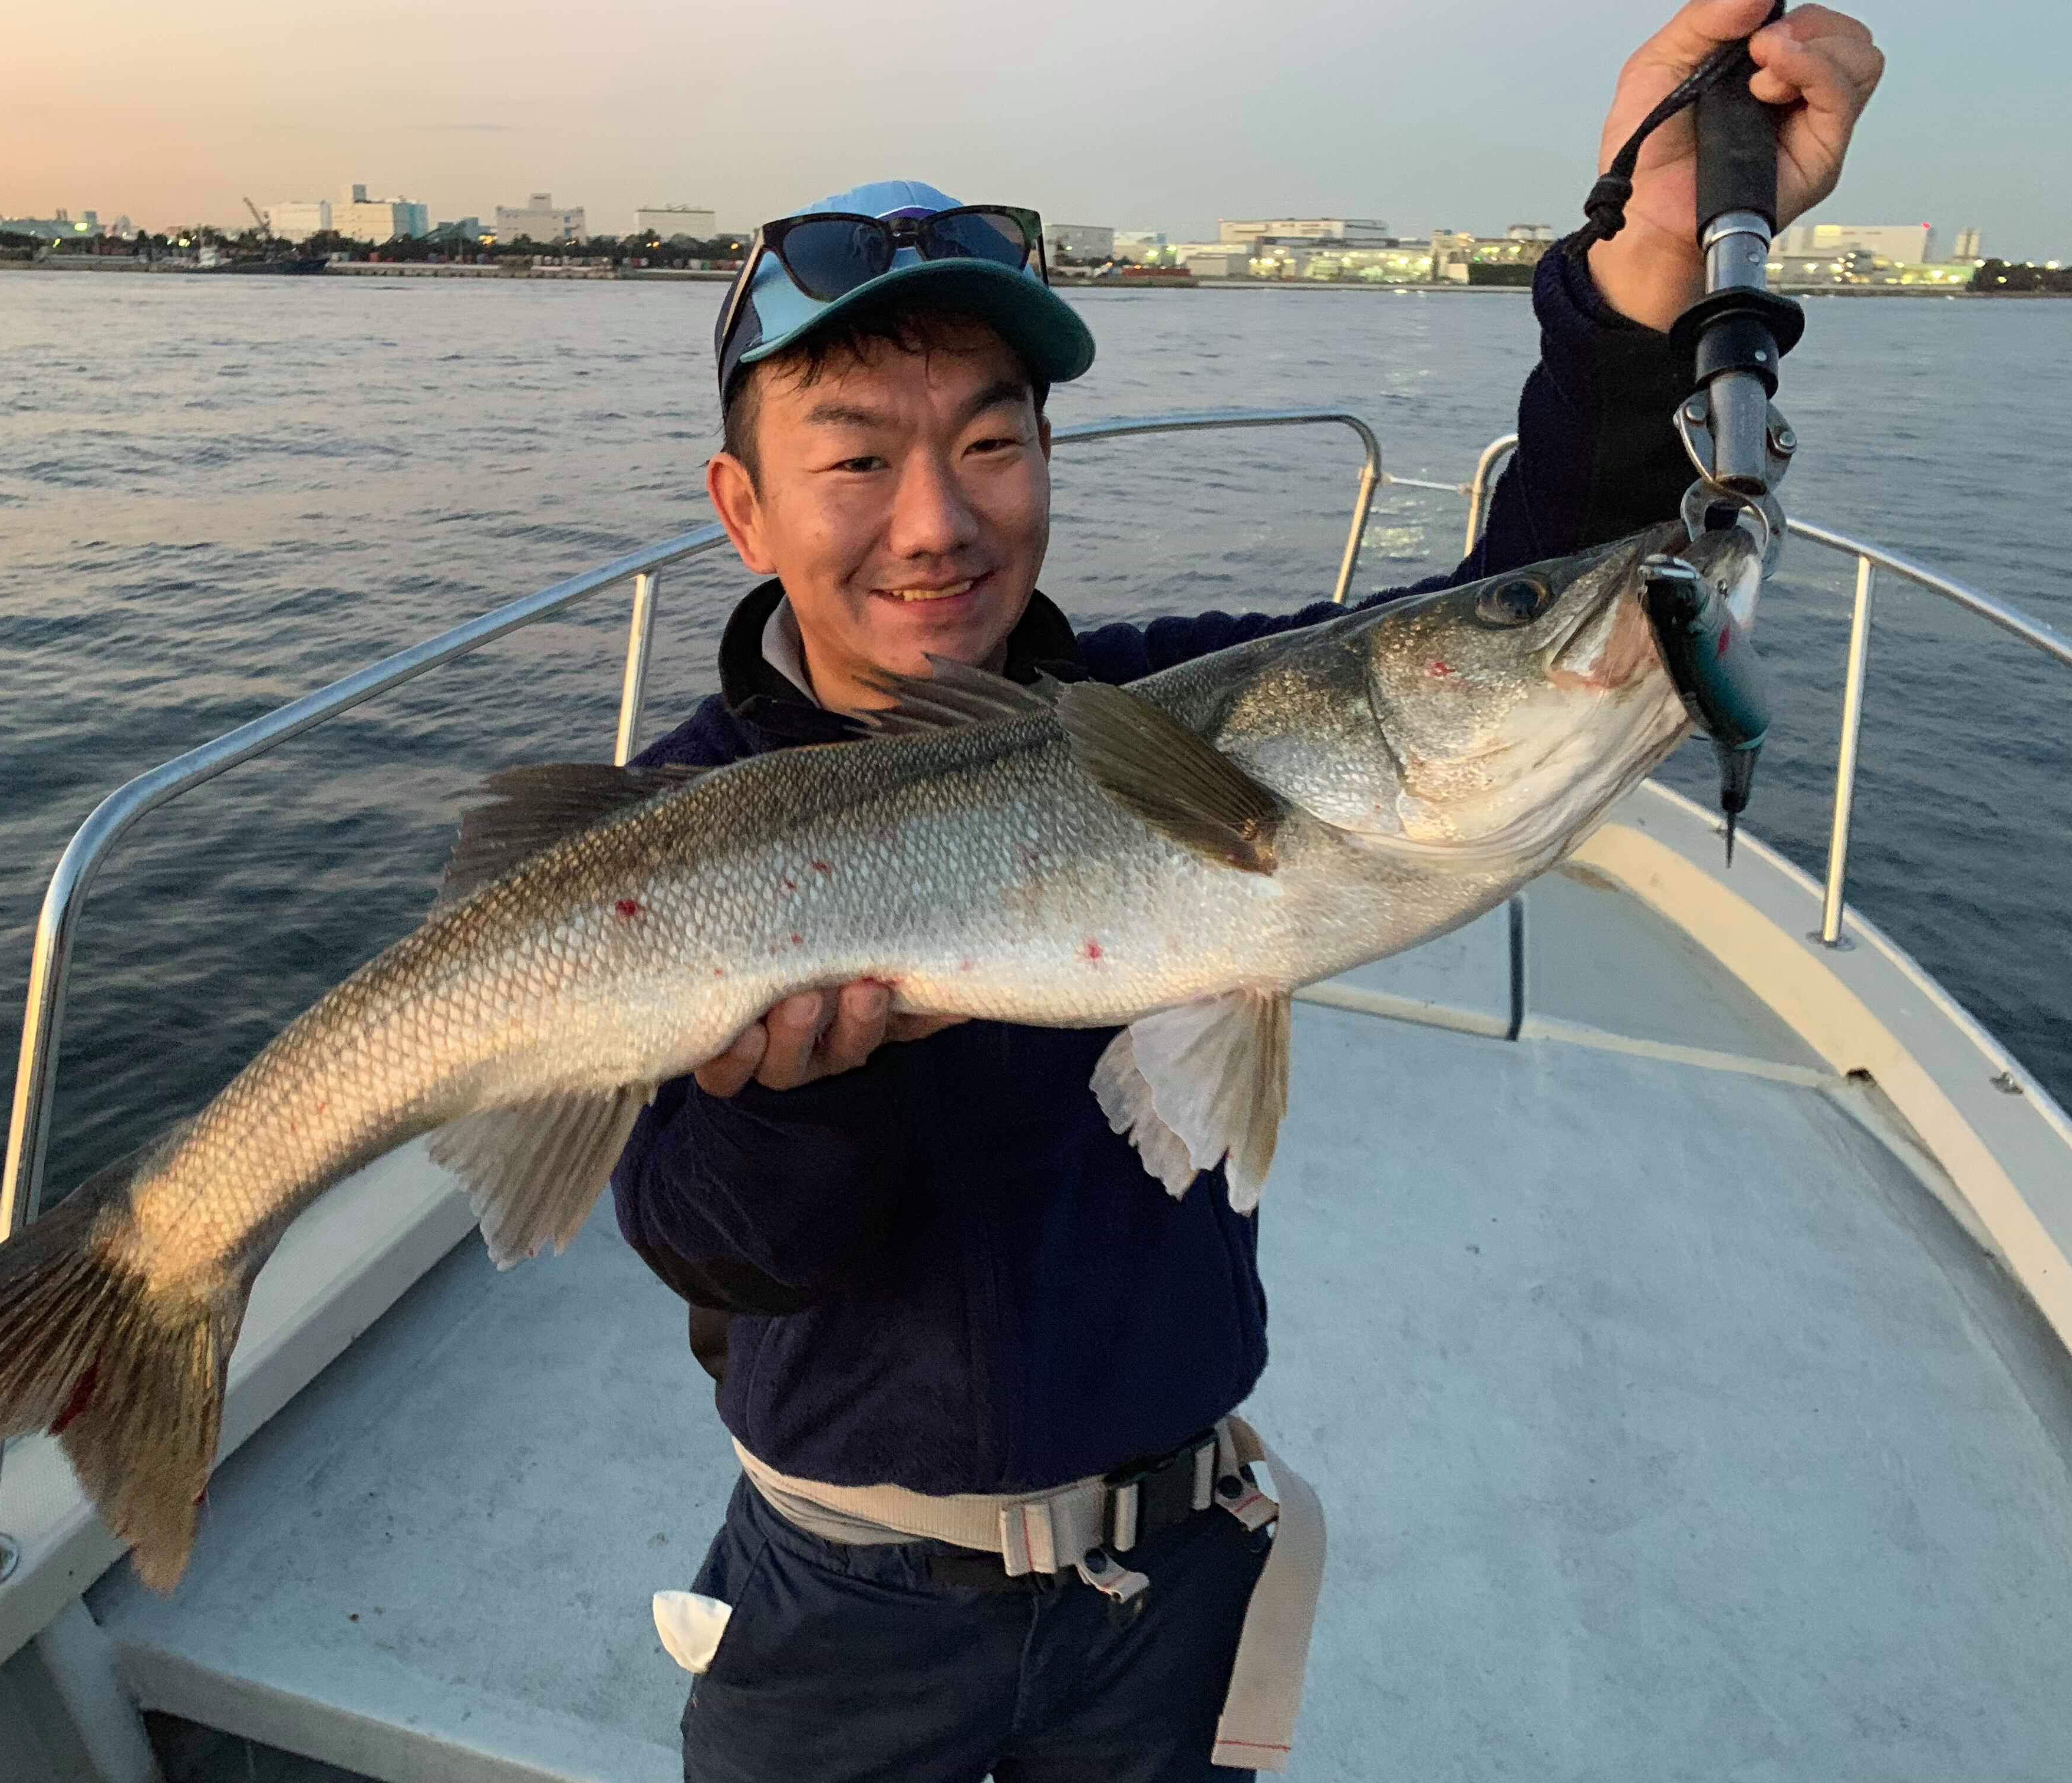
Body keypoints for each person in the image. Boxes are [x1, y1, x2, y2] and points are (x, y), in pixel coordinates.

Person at [612, 4, 1883, 1777]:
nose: (935, 522)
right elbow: (700, 1241)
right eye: (853, 458)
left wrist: (1656, 255)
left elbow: (1521, 593)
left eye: (992, 444)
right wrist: (801, 1103)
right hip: (842, 1601)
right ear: (742, 510)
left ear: (1048, 465)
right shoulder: (671, 828)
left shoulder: (1182, 710)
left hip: (1179, 1566)